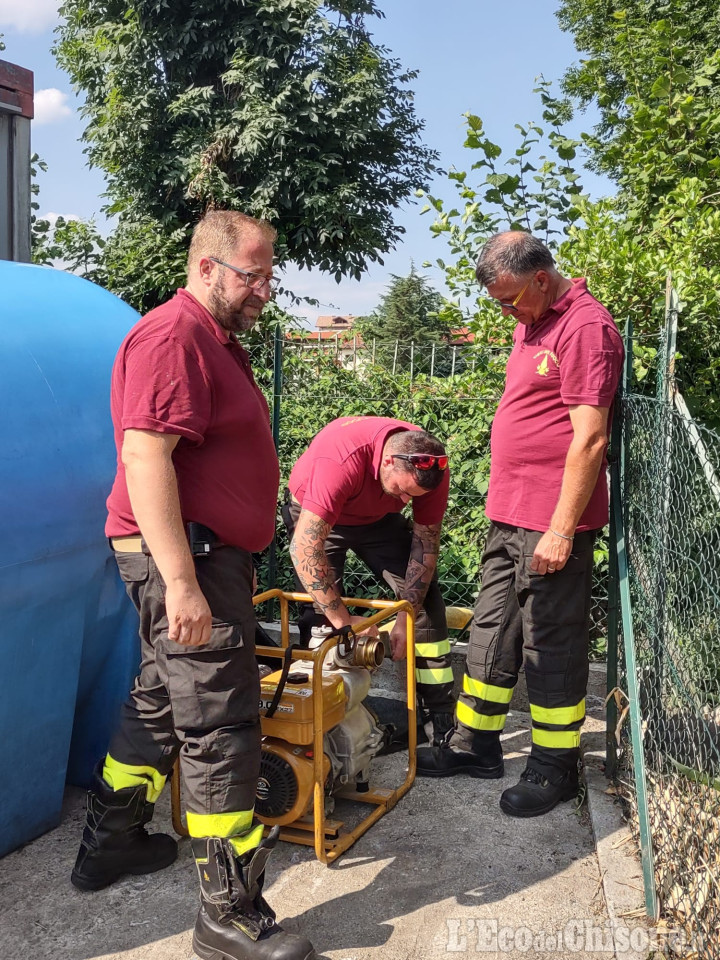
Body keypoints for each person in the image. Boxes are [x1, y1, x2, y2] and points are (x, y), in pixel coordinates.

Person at [71, 211, 315, 960]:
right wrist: (182, 582)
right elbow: (146, 458)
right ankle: (226, 916)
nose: (265, 289)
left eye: (271, 273)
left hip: (201, 554)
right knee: (219, 721)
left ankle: (111, 840)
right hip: (188, 557)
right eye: (253, 272)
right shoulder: (174, 336)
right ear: (207, 267)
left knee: (162, 692)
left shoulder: (213, 341)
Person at [417, 231, 624, 818]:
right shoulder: (531, 321)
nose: (506, 312)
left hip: (551, 519)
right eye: (498, 302)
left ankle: (555, 767)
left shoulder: (585, 328)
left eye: (512, 300)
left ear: (541, 277)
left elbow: (590, 438)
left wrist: (562, 529)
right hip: (509, 514)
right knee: (491, 629)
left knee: (550, 644)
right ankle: (474, 744)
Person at [283, 416, 455, 745]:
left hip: (377, 521)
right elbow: (305, 548)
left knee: (425, 603)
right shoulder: (341, 461)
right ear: (387, 461)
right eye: (403, 491)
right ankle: (318, 720)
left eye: (413, 497)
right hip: (317, 515)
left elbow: (425, 546)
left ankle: (440, 719)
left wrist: (408, 611)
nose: (406, 502)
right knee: (319, 615)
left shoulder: (431, 469)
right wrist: (346, 622)